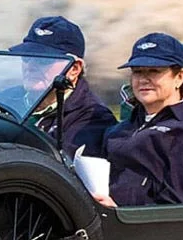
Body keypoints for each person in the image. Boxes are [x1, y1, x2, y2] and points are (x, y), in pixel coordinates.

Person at [95, 33, 183, 207]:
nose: (143, 79)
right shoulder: (121, 129)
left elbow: (180, 209)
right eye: (137, 72)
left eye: (154, 71)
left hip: (137, 228)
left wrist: (118, 211)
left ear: (179, 77)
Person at [8, 15, 115, 158]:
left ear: (74, 69)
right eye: (26, 57)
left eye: (43, 60)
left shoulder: (94, 119)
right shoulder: (4, 99)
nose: (30, 66)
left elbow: (58, 168)